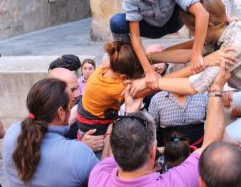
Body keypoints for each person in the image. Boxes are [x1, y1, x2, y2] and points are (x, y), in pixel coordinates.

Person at [130, 0, 241, 148]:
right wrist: (150, 58)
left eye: (193, 30)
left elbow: (193, 86)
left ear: (206, 25)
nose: (193, 36)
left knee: (218, 142)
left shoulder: (231, 48)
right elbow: (189, 51)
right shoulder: (230, 27)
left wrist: (152, 81)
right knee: (220, 103)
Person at [88, 59, 230, 186]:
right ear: (152, 153)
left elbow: (114, 153)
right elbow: (211, 145)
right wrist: (216, 89)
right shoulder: (175, 182)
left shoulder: (98, 175)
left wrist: (129, 113)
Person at [3, 78, 99, 186]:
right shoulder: (78, 153)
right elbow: (104, 181)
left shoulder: (12, 132)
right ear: (61, 112)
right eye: (69, 107)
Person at [77, 41, 143, 137]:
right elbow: (141, 89)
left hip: (82, 113)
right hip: (93, 125)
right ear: (124, 76)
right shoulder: (117, 88)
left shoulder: (101, 69)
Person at [48, 67, 104, 152]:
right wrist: (82, 145)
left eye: (77, 88)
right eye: (72, 90)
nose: (77, 94)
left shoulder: (83, 104)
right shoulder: (42, 116)